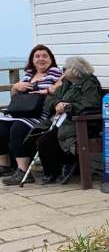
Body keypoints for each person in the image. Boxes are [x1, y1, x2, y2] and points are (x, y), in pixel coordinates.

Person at [0, 45, 63, 185]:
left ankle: (23, 172)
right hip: (21, 111)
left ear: (51, 59)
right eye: (37, 56)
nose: (41, 59)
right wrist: (15, 87)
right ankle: (5, 166)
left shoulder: (56, 73)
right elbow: (14, 97)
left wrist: (47, 90)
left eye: (44, 56)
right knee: (1, 126)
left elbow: (61, 85)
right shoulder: (29, 75)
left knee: (17, 128)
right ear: (32, 60)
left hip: (40, 114)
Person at [35, 56, 102, 185]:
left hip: (80, 123)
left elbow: (91, 103)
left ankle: (58, 169)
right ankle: (52, 171)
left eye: (65, 68)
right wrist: (57, 104)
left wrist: (68, 106)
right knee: (40, 136)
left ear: (75, 70)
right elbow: (51, 98)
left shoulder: (90, 83)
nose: (63, 70)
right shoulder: (67, 82)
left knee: (47, 140)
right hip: (63, 121)